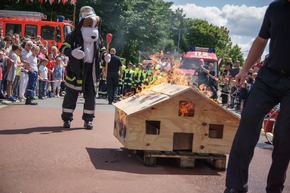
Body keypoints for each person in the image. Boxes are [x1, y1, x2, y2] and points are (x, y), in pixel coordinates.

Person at [224, 1, 290, 192]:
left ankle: (274, 188)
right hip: (269, 76)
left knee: (285, 135)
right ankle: (236, 185)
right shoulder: (275, 8)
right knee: (247, 123)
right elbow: (261, 40)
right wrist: (245, 70)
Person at [60, 6, 103, 129]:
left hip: (91, 71)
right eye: (89, 24)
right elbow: (63, 47)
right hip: (76, 70)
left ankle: (88, 120)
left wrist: (105, 56)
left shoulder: (97, 38)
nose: (92, 27)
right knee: (71, 95)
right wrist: (72, 52)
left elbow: (102, 49)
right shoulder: (73, 35)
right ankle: (67, 118)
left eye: (94, 24)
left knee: (90, 96)